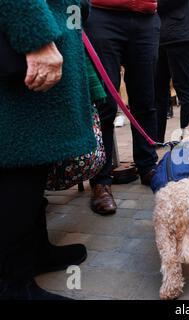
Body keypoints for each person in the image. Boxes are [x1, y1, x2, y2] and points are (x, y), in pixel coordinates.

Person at [0, 0, 96, 299]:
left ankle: (34, 251)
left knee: (36, 156)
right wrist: (37, 36)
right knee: (19, 158)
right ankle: (12, 286)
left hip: (50, 22)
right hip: (26, 34)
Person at [84, 0, 160, 215]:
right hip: (101, 14)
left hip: (146, 17)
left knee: (146, 101)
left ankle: (148, 166)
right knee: (104, 103)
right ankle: (101, 180)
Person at [155, 0, 189, 142]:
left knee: (184, 88)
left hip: (180, 32)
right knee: (158, 90)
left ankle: (188, 142)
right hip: (160, 33)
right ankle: (156, 140)